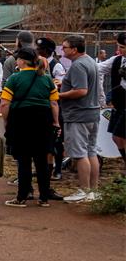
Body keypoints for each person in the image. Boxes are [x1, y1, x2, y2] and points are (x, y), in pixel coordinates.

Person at [0, 47, 60, 207]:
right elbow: (54, 102)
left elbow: (5, 103)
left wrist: (6, 122)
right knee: (41, 159)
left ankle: (22, 197)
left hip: (21, 119)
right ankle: (44, 198)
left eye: (18, 59)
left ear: (22, 61)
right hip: (43, 119)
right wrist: (56, 122)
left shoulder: (14, 78)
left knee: (23, 159)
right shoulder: (46, 78)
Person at [59, 35, 101, 203]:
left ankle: (84, 190)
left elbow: (81, 90)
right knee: (91, 151)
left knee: (79, 153)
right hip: (92, 112)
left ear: (74, 49)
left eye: (65, 47)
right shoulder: (90, 61)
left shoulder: (78, 65)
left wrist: (58, 94)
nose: (63, 50)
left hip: (79, 114)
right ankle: (93, 191)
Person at [36, 37, 67, 181]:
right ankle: (43, 167)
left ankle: (58, 169)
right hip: (42, 107)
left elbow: (60, 84)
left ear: (47, 50)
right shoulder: (38, 63)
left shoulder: (57, 65)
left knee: (56, 140)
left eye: (40, 49)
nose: (38, 51)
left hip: (54, 106)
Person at [97, 32, 126, 169]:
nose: (120, 50)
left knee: (121, 136)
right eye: (119, 46)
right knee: (116, 137)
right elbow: (98, 68)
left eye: (123, 47)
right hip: (119, 103)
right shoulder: (117, 60)